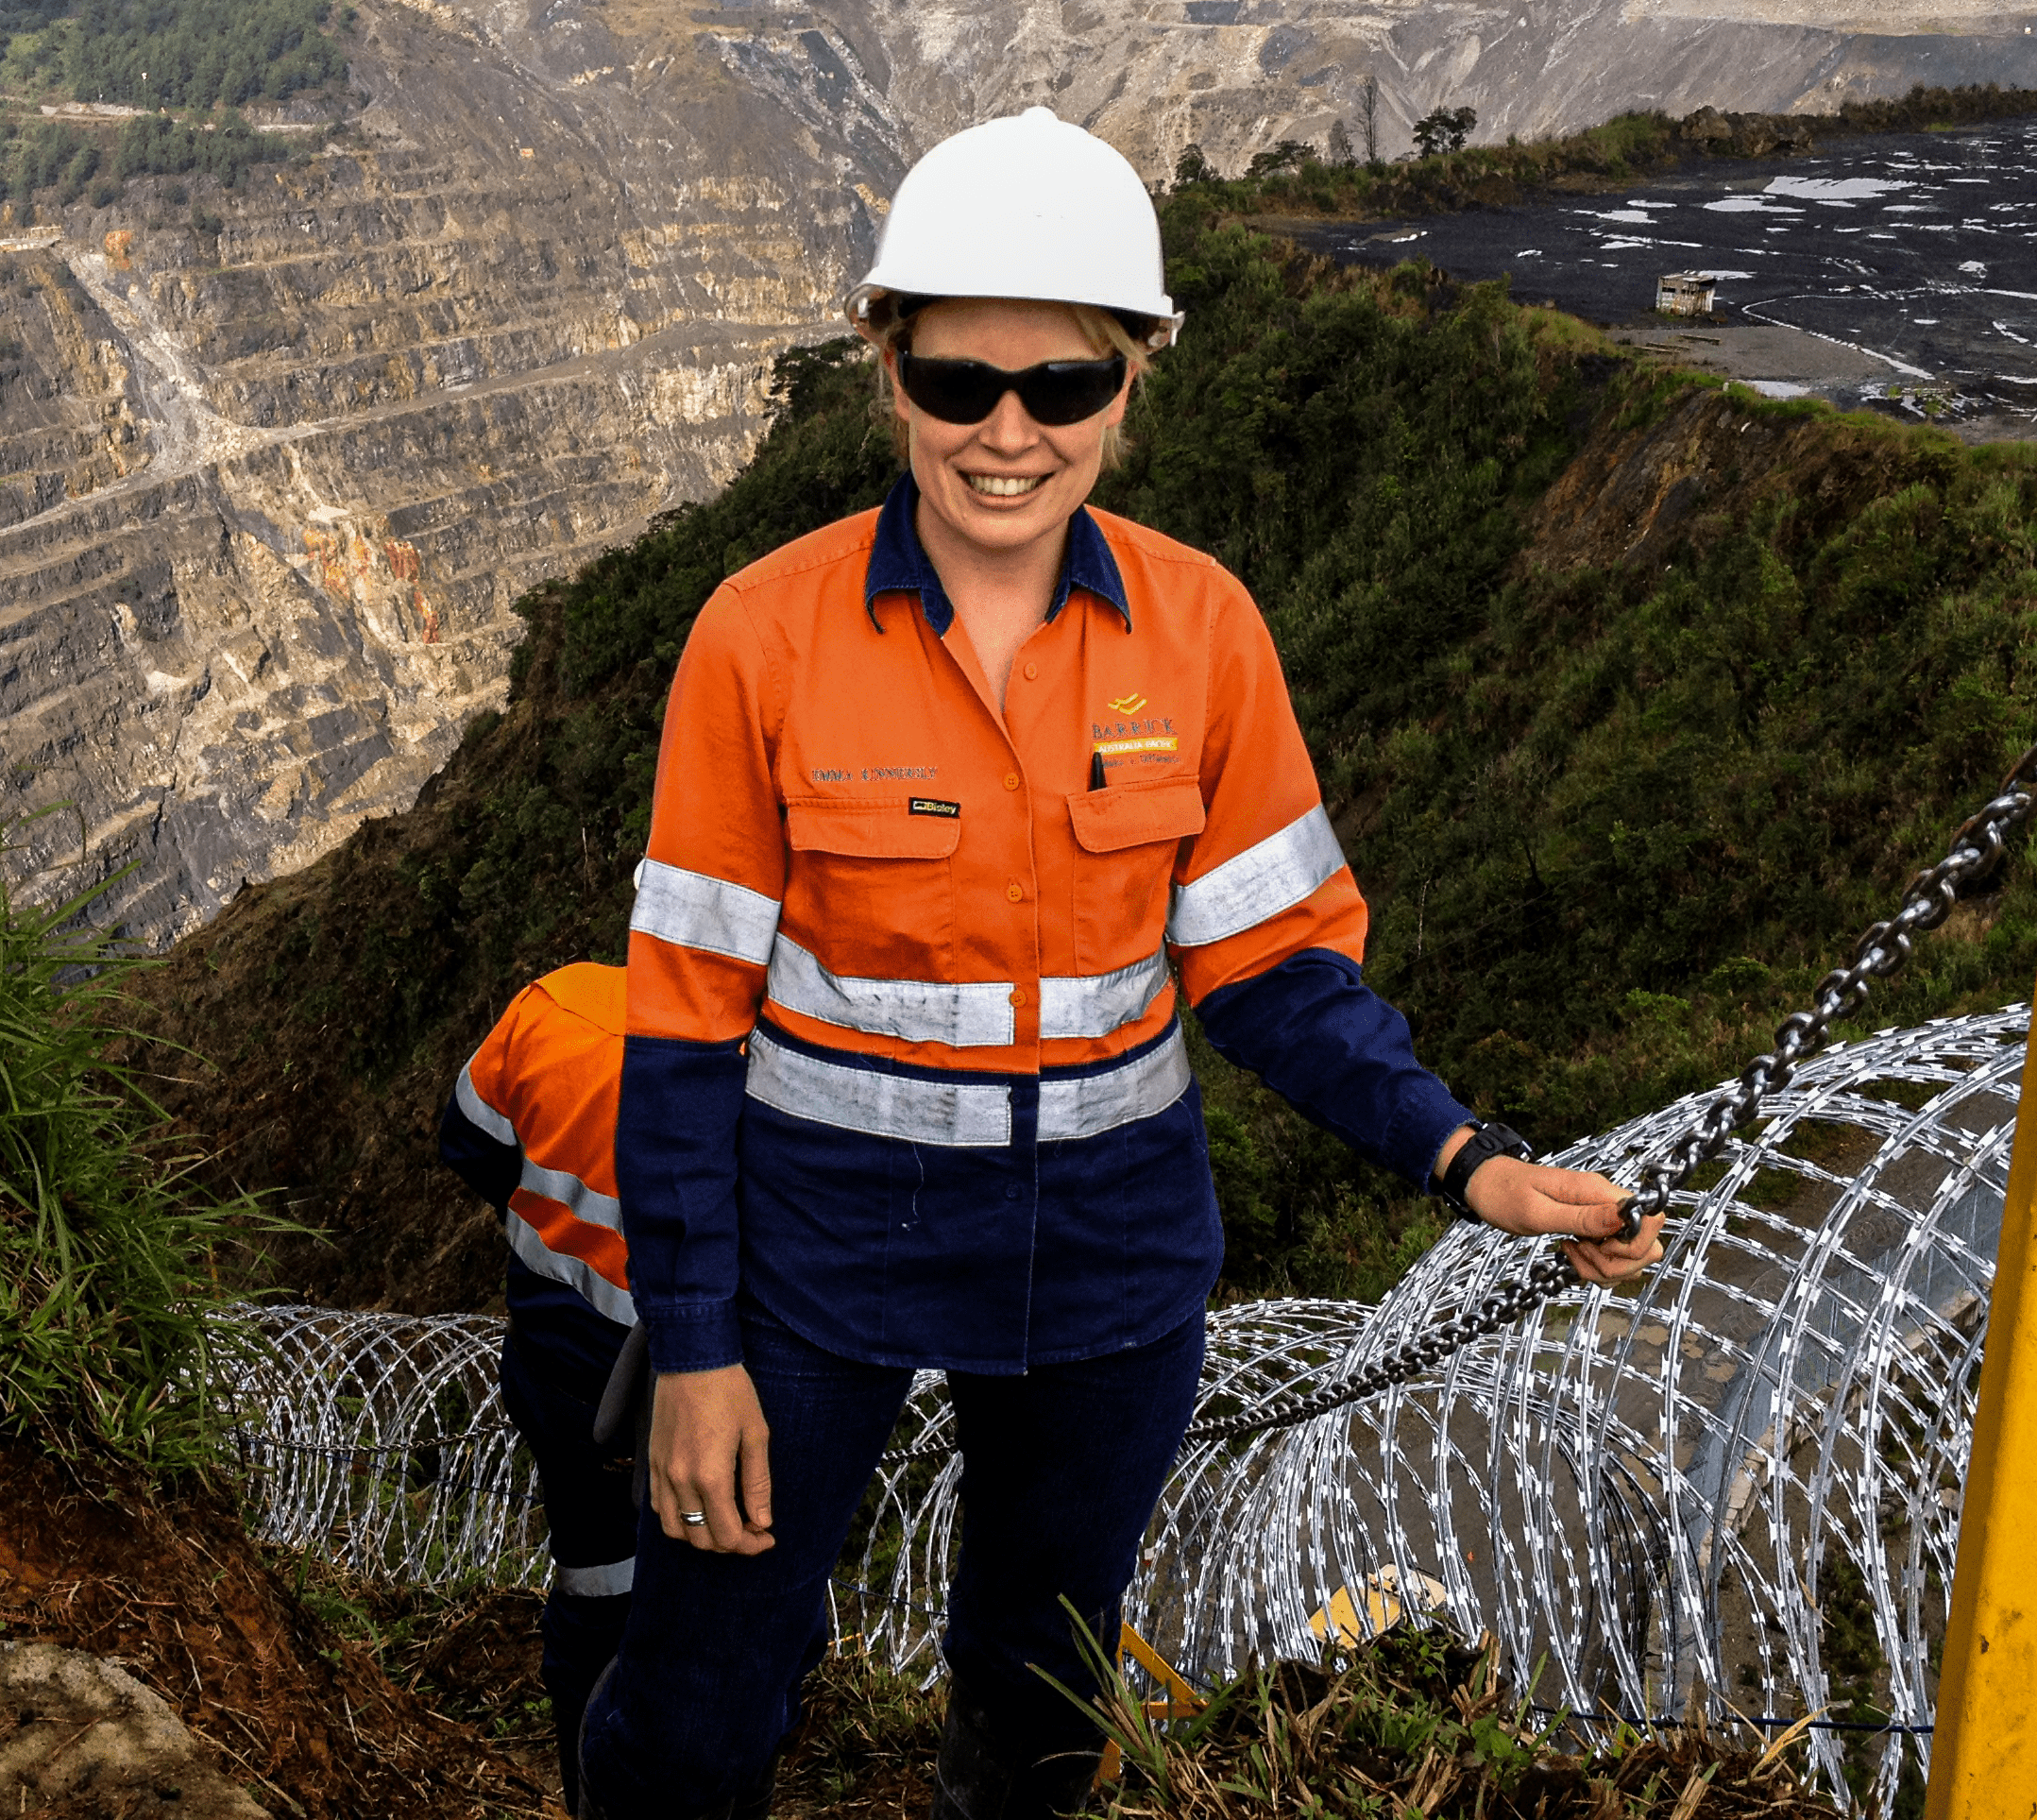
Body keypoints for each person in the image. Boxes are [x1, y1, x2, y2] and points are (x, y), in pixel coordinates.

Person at [576, 108, 1666, 1820]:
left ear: (1133, 379)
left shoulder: (1200, 629)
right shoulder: (759, 638)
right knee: (707, 1681)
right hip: (816, 1244)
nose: (1005, 436)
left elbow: (1272, 970)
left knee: (1039, 1688)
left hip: (1107, 1247)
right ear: (884, 366)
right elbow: (684, 1029)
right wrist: (694, 1347)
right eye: (955, 385)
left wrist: (1467, 1160)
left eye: (1060, 389)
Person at [438, 961, 643, 1814]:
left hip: (562, 1372)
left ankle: (589, 1788)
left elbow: (472, 1144)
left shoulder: (558, 1006)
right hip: (718, 1383)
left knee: (597, 1596)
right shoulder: (767, 1057)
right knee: (738, 1611)